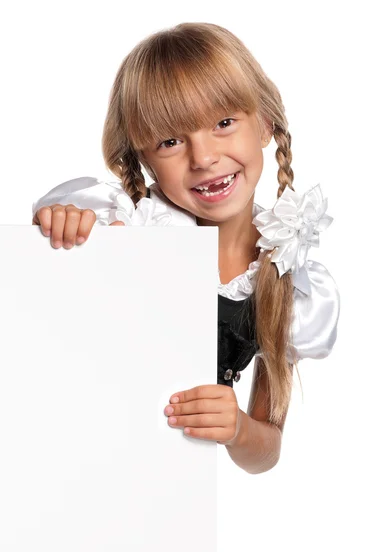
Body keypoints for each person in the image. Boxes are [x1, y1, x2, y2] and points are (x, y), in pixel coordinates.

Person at [31, 22, 340, 474]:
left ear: (266, 124)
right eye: (171, 141)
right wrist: (64, 227)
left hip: (172, 494)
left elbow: (266, 450)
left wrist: (236, 427)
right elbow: (45, 290)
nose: (203, 157)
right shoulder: (128, 226)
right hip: (70, 465)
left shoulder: (290, 283)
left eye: (224, 123)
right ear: (142, 159)